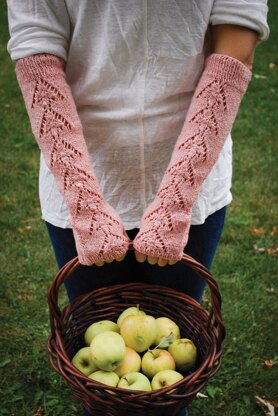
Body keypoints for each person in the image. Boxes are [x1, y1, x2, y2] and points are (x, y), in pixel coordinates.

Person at [7, 1, 269, 415]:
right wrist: (86, 202)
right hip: (81, 175)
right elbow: (36, 48)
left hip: (194, 184)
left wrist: (176, 197)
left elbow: (236, 41)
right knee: (100, 391)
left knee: (172, 386)